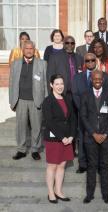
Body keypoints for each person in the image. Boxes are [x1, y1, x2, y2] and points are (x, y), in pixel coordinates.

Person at [72, 53, 108, 173]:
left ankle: (100, 164)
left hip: (101, 116)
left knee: (100, 140)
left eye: (92, 60)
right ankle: (83, 163)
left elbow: (107, 96)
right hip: (83, 115)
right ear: (84, 62)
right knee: (83, 138)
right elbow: (75, 95)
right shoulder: (77, 77)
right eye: (87, 60)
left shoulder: (105, 76)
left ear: (96, 61)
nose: (90, 62)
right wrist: (84, 111)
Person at [81, 71, 108, 204]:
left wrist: (106, 133)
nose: (97, 81)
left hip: (106, 137)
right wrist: (93, 134)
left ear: (103, 80)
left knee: (104, 166)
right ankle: (89, 194)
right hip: (91, 137)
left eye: (99, 79)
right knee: (91, 166)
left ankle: (105, 194)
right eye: (95, 79)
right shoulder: (85, 95)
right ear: (91, 79)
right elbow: (83, 117)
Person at [9, 40, 47, 160]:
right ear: (23, 50)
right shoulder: (15, 63)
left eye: (31, 48)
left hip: (36, 99)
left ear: (34, 50)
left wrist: (45, 100)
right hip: (20, 100)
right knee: (21, 126)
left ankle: (35, 149)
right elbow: (11, 83)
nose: (29, 51)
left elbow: (46, 83)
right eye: (27, 48)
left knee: (37, 126)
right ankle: (21, 149)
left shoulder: (42, 63)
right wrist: (12, 100)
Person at [42, 74, 75, 203]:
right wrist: (62, 137)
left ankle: (58, 190)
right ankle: (51, 192)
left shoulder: (67, 99)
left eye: (61, 83)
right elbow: (49, 122)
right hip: (54, 139)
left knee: (62, 165)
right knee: (52, 166)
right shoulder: (47, 101)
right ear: (51, 85)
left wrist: (72, 135)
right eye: (57, 84)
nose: (60, 86)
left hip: (67, 138)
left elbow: (72, 119)